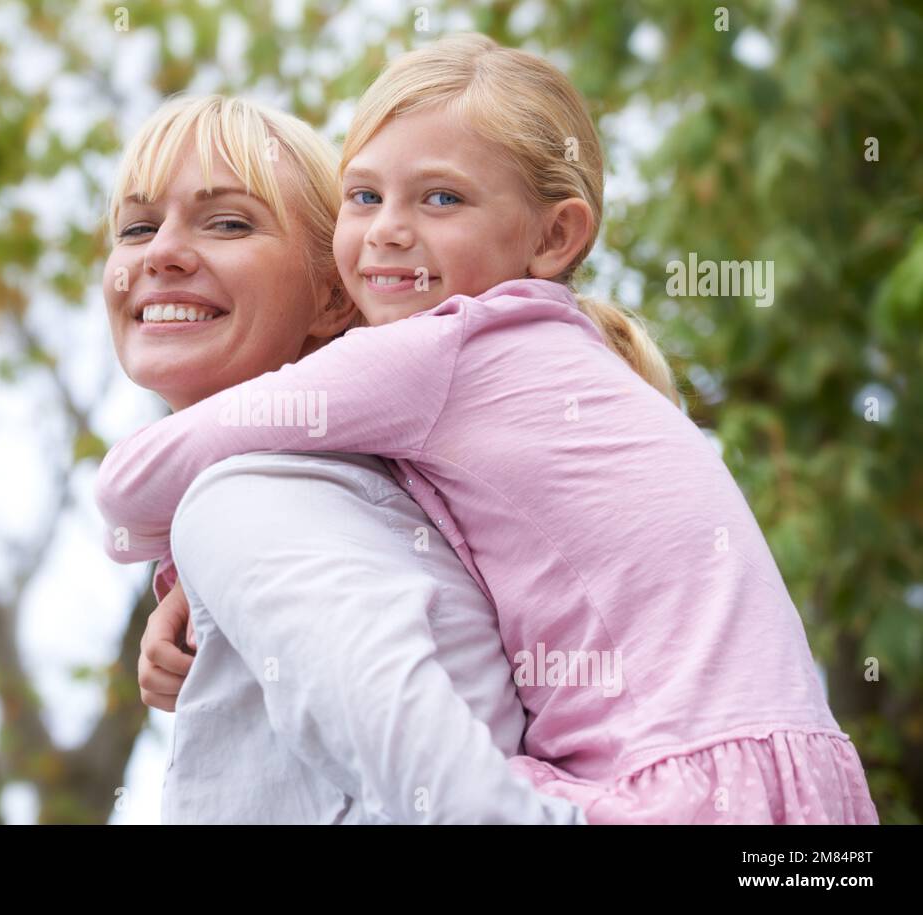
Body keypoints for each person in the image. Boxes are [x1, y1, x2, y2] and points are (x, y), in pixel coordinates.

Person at [97, 35, 878, 824]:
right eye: (363, 196)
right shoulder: (524, 365)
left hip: (681, 785)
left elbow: (128, 486)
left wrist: (197, 541)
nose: (388, 230)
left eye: (441, 199)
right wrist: (200, 580)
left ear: (554, 236)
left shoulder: (436, 354)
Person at [103, 93, 584, 824]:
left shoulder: (252, 499)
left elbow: (454, 797)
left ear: (333, 296)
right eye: (137, 227)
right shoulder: (320, 499)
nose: (160, 252)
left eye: (228, 222)